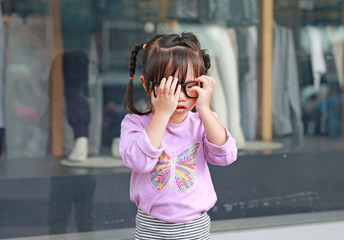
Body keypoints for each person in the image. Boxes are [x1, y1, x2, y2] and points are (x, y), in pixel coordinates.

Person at [119, 32, 238, 240]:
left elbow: (226, 155)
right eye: (170, 88)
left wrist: (205, 108)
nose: (180, 97)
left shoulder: (203, 122)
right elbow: (140, 162)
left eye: (189, 87)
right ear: (147, 85)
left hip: (196, 228)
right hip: (152, 228)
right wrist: (162, 113)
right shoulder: (136, 124)